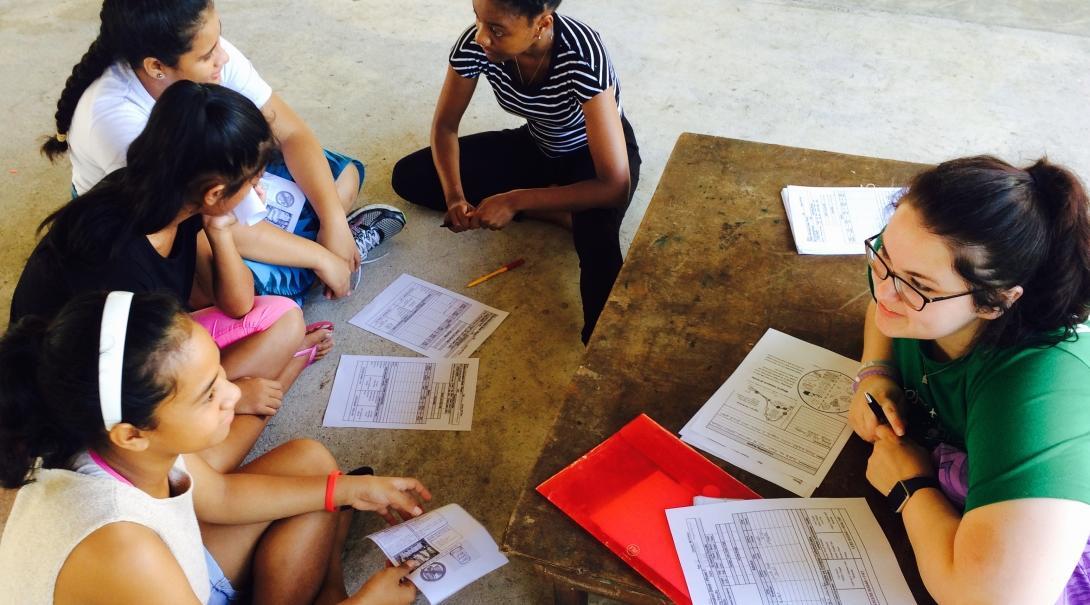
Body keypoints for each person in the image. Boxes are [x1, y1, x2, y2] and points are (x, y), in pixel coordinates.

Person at [0, 290, 429, 604]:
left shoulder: (114, 436)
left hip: (182, 568)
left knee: (313, 466)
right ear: (132, 433)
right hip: (161, 581)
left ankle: (327, 584)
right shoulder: (121, 548)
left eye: (219, 373)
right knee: (320, 497)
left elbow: (219, 496)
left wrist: (349, 491)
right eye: (208, 394)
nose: (232, 394)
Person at [13, 81, 325, 473]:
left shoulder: (167, 198)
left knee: (286, 319)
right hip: (98, 401)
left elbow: (238, 304)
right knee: (198, 470)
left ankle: (256, 387)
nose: (259, 188)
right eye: (253, 180)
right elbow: (136, 395)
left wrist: (220, 230)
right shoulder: (119, 265)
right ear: (213, 191)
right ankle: (270, 386)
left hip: (140, 355)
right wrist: (235, 393)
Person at [41, 0, 406, 303]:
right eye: (208, 54)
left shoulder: (206, 55)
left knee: (344, 174)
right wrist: (324, 256)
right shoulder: (118, 121)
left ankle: (317, 244)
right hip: (165, 217)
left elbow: (292, 132)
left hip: (214, 183)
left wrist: (335, 223)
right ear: (156, 67)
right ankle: (314, 257)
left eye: (219, 39)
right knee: (235, 285)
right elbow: (207, 216)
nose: (223, 58)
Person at [846, 156, 1090, 604]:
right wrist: (875, 370)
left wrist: (910, 485)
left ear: (995, 302)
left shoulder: (1035, 386)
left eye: (916, 285)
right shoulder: (906, 269)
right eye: (882, 254)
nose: (882, 288)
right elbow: (881, 308)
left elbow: (992, 599)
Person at [391, 0, 641, 344]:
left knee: (599, 250)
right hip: (537, 144)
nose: (481, 37)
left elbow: (615, 186)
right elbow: (445, 127)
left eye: (496, 30)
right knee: (411, 176)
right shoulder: (475, 46)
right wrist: (455, 197)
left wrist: (514, 200)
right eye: (478, 20)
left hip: (593, 159)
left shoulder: (583, 55)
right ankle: (560, 212)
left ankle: (562, 214)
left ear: (541, 23)